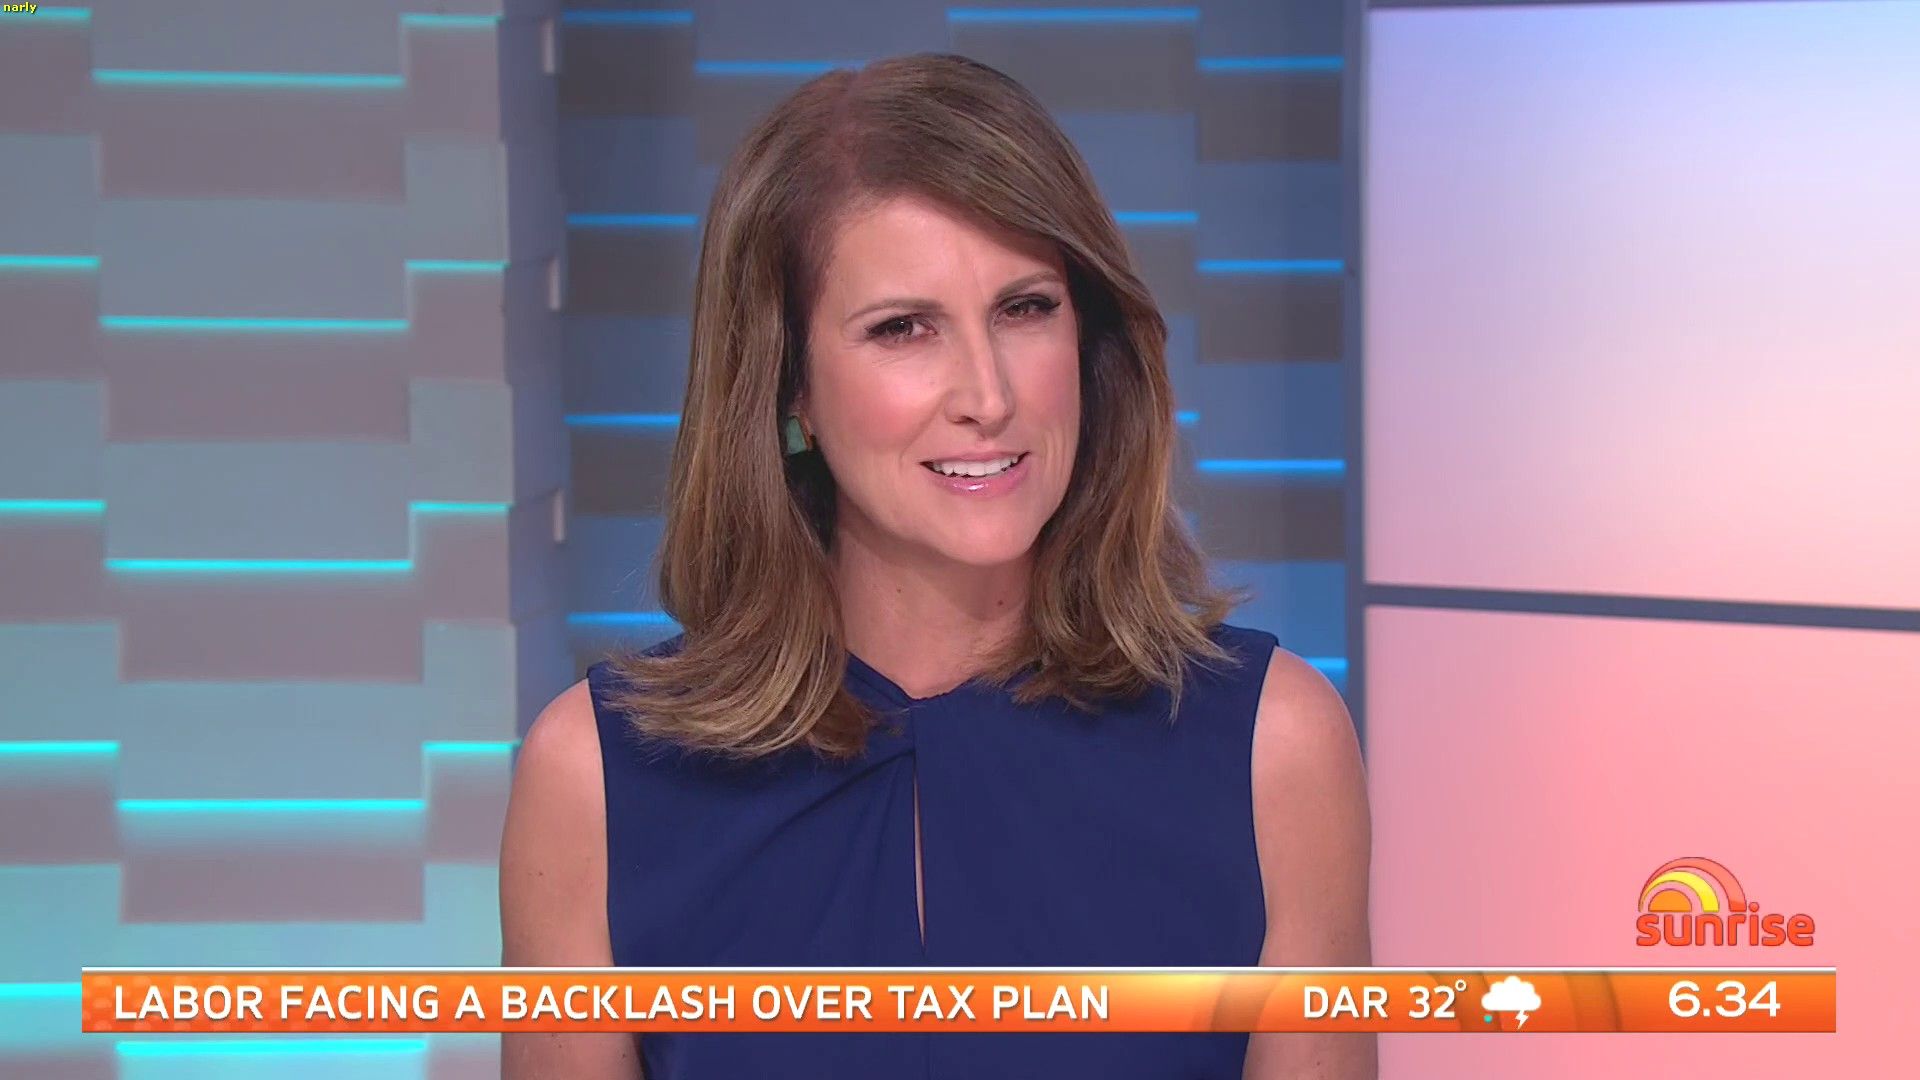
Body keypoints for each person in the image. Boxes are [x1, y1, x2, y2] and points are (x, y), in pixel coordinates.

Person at [499, 51, 1373, 1080]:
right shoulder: (595, 783)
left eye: (1025, 308)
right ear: (788, 388)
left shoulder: (1275, 752)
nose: (988, 397)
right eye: (904, 329)